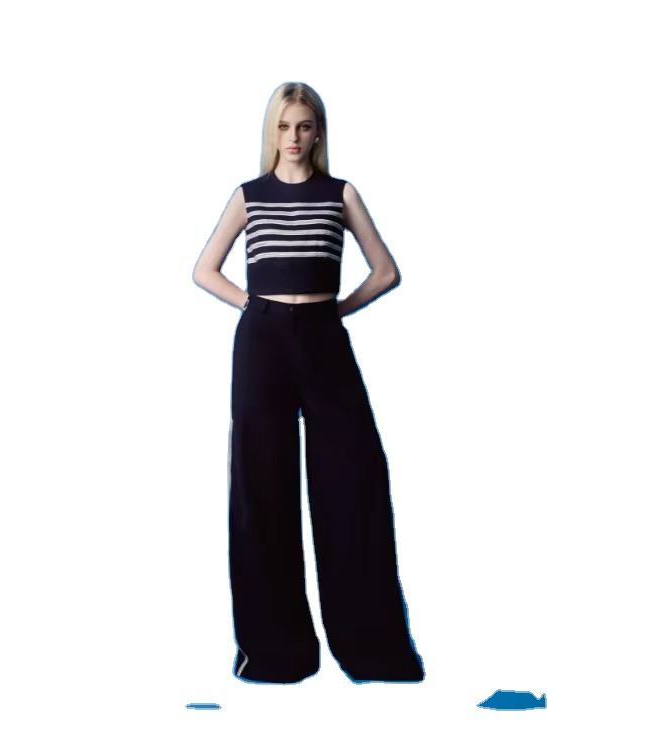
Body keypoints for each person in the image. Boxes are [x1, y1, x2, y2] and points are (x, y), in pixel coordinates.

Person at [193, 82, 425, 684]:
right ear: (271, 131)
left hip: (323, 340)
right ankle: (276, 652)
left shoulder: (339, 193)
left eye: (303, 126)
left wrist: (335, 311)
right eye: (283, 126)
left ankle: (372, 649)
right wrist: (256, 307)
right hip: (262, 344)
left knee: (354, 480)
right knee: (261, 488)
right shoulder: (249, 196)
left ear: (318, 131)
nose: (293, 137)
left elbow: (386, 271)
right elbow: (203, 270)